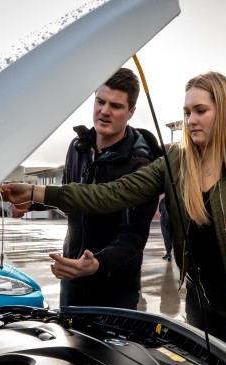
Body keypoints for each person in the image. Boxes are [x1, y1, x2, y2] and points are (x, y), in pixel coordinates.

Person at [1, 71, 226, 365]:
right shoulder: (174, 162)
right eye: (187, 112)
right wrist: (36, 193)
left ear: (225, 112)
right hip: (200, 303)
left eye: (200, 111)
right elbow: (110, 193)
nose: (190, 120)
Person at [10, 68, 161, 310]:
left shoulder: (141, 164)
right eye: (100, 101)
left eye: (116, 106)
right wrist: (33, 202)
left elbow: (133, 236)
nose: (105, 111)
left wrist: (98, 263)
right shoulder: (77, 147)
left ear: (131, 112)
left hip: (114, 288)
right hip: (71, 276)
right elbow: (70, 197)